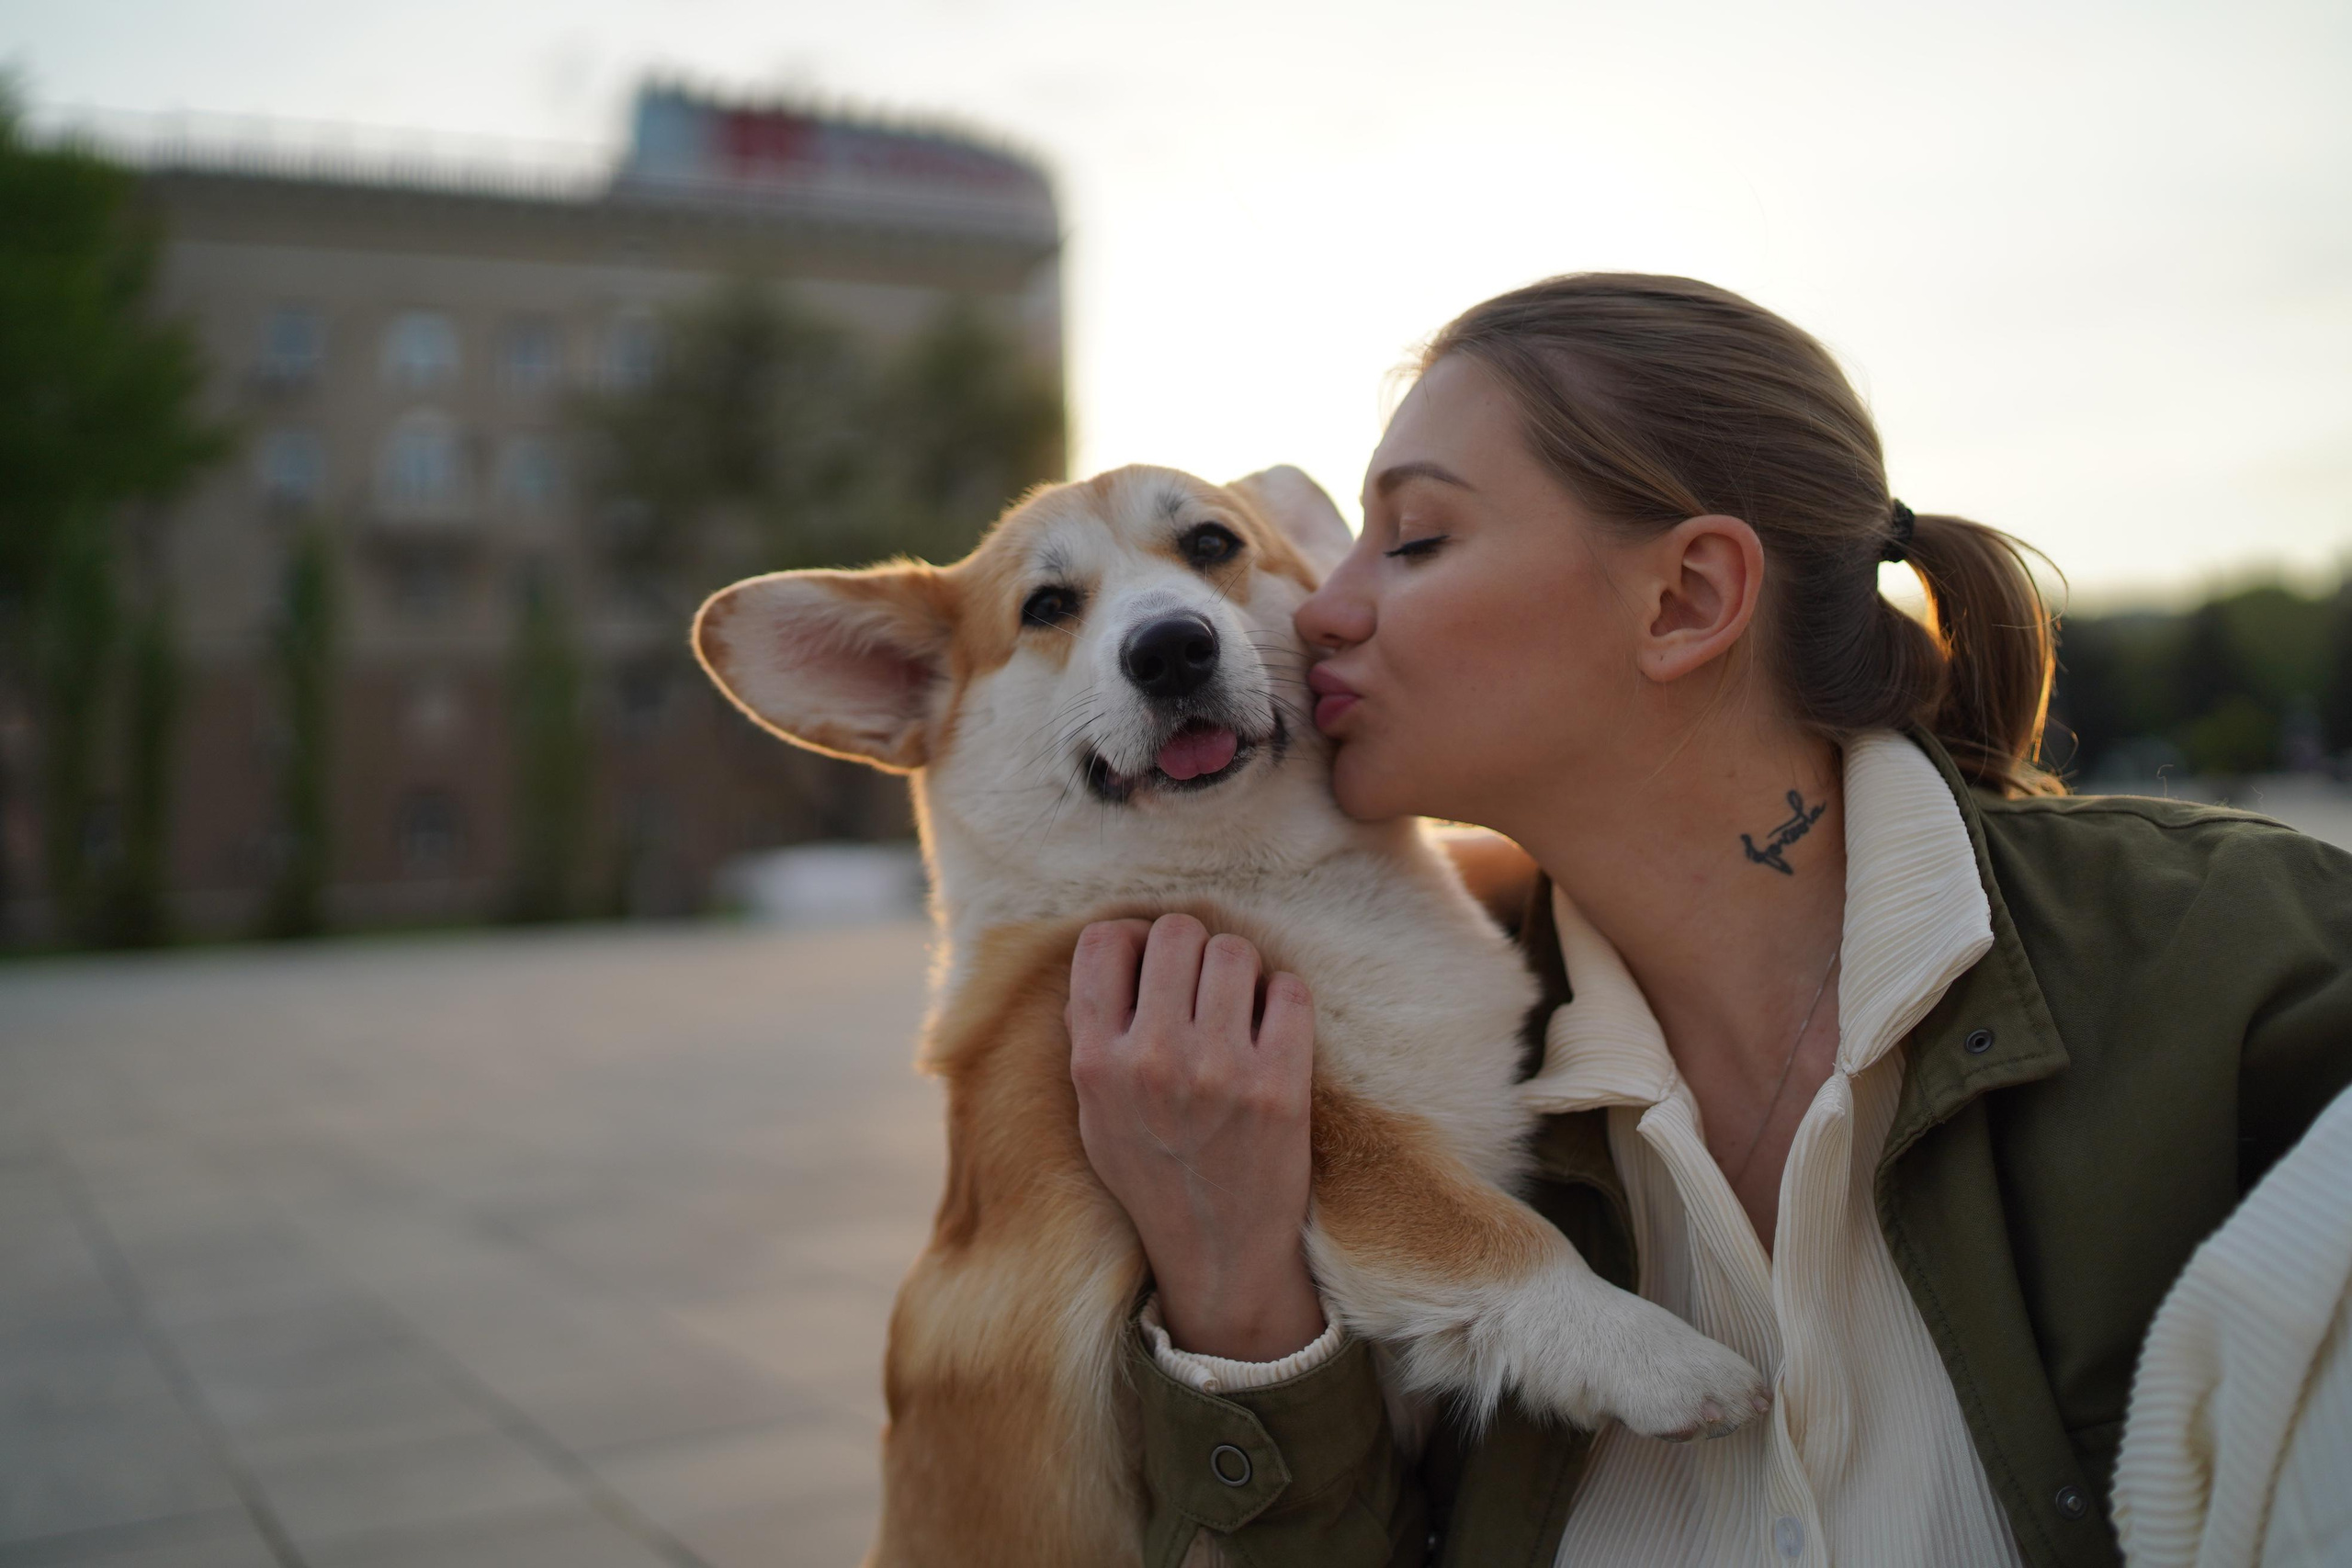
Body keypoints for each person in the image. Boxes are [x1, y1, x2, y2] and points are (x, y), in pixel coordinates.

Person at [1064, 273, 2352, 1568]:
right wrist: (1238, 1304)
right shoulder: (1381, 1085)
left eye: (1410, 540)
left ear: (1684, 600)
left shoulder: (2245, 961)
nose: (1315, 609)